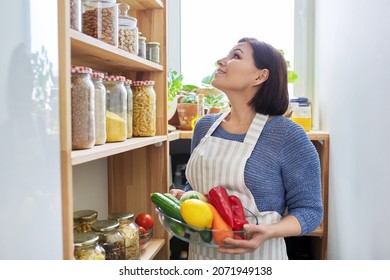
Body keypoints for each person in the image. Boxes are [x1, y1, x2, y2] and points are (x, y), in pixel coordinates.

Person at [170, 37, 323, 260]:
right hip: (201, 257)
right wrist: (183, 196)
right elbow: (196, 188)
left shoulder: (287, 135)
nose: (221, 61)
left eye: (236, 56)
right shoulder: (205, 127)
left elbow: (310, 212)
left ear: (260, 76)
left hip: (259, 259)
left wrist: (269, 231)